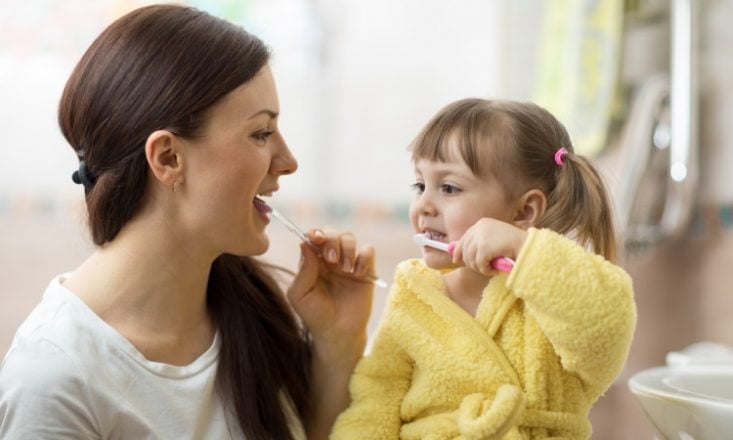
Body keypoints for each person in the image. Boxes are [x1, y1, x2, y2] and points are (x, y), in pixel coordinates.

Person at [0, 5, 376, 440]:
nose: (288, 162)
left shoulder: (250, 311)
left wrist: (337, 342)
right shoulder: (54, 381)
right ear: (169, 158)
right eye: (260, 133)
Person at [331, 98, 637, 439]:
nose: (423, 206)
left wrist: (525, 250)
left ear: (523, 212)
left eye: (449, 188)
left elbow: (607, 326)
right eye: (420, 185)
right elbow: (375, 402)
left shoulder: (551, 296)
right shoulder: (415, 293)